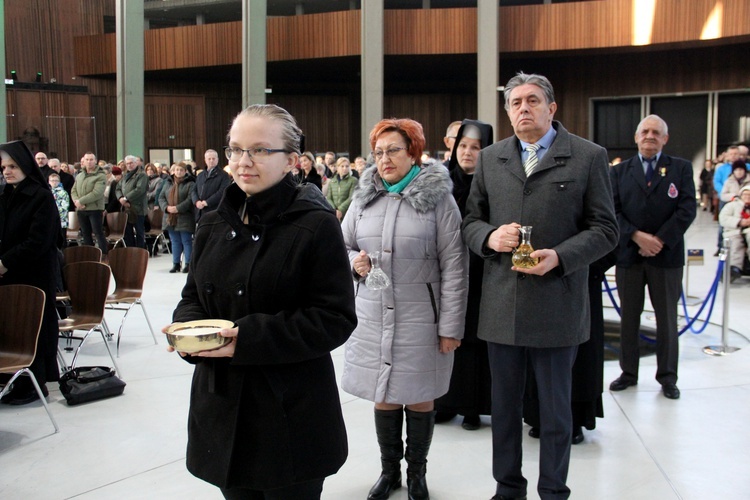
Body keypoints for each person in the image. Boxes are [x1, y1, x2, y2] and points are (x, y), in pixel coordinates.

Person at [165, 104, 356, 499]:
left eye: (259, 150)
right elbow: (192, 296)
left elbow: (333, 317)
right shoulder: (214, 222)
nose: (242, 162)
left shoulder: (314, 223)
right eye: (235, 149)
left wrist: (242, 338)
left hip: (289, 410)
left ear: (291, 160)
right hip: (221, 404)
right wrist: (189, 331)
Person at [462, 72, 618, 500]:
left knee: (554, 413)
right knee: (505, 412)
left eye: (532, 100)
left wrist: (562, 256)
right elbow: (470, 222)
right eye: (515, 102)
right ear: (508, 111)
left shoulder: (588, 157)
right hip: (502, 305)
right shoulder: (491, 158)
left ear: (552, 108)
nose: (523, 108)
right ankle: (507, 489)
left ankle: (553, 491)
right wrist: (489, 238)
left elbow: (606, 229)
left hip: (557, 305)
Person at [341, 118, 468, 500]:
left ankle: (417, 474)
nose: (384, 159)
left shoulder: (439, 200)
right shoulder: (364, 198)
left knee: (419, 392)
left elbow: (455, 267)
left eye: (393, 150)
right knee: (384, 392)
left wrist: (450, 327)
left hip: (420, 315)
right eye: (378, 152)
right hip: (374, 312)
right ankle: (388, 472)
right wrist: (354, 261)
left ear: (413, 151)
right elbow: (340, 244)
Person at [609, 114, 697, 400]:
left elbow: (686, 210)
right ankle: (628, 373)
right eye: (645, 131)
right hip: (630, 257)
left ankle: (668, 377)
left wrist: (659, 240)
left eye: (656, 132)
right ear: (636, 137)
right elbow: (612, 211)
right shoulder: (619, 172)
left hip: (666, 257)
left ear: (665, 139)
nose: (650, 136)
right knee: (629, 318)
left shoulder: (681, 169)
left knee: (667, 319)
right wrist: (636, 236)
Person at [434, 119, 494, 431]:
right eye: (463, 146)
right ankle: (446, 401)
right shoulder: (441, 180)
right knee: (447, 335)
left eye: (475, 147)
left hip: (481, 270)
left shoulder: (493, 182)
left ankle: (474, 407)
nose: (468, 153)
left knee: (475, 338)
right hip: (446, 269)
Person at [524, 251, 617, 445]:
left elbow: (608, 234)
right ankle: (537, 416)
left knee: (580, 353)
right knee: (536, 347)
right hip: (536, 278)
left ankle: (576, 420)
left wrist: (576, 263)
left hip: (580, 276)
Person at [0, 140, 61, 405]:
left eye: (12, 166)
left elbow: (39, 241)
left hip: (33, 273)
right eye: (3, 167)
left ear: (25, 165)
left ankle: (34, 383)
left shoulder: (41, 196)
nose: (7, 171)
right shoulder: (5, 195)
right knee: (12, 326)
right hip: (9, 272)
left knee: (32, 328)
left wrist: (5, 262)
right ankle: (11, 377)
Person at [159, 163, 195, 273]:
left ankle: (188, 264)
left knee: (186, 241)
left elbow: (190, 199)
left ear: (185, 172)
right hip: (170, 216)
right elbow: (161, 197)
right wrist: (167, 208)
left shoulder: (190, 183)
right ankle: (176, 264)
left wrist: (178, 208)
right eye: (176, 170)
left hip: (185, 216)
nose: (178, 172)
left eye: (181, 170)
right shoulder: (168, 183)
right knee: (174, 241)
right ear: (173, 171)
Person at [71, 152, 109, 256]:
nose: (89, 162)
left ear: (95, 161)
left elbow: (97, 193)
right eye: (87, 159)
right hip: (81, 209)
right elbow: (73, 190)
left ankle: (104, 255)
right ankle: (89, 254)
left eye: (91, 159)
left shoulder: (100, 175)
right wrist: (76, 202)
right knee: (85, 233)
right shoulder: (80, 175)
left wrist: (81, 201)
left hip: (95, 209)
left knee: (98, 232)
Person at [719, 185, 750, 281]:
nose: (747, 196)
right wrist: (739, 222)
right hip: (734, 231)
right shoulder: (732, 205)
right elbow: (723, 218)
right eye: (745, 194)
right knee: (736, 245)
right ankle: (734, 268)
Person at [116, 155, 148, 248]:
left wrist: (126, 198)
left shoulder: (142, 175)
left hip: (138, 208)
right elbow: (117, 188)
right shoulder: (125, 175)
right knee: (127, 232)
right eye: (127, 163)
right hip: (126, 209)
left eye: (131, 163)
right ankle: (131, 251)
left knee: (139, 232)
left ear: (136, 163)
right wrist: (120, 198)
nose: (129, 165)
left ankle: (140, 252)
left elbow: (139, 190)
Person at [192, 149, 231, 224]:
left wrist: (207, 202)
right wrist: (196, 201)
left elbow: (222, 191)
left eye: (213, 158)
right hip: (200, 213)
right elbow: (194, 190)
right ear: (205, 160)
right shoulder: (200, 175)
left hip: (214, 212)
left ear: (217, 159)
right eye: (209, 159)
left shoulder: (224, 175)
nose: (211, 160)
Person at [325, 156, 357, 222]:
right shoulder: (332, 181)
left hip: (347, 213)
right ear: (337, 167)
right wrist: (334, 210)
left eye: (347, 166)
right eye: (342, 166)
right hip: (334, 213)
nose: (345, 168)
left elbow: (351, 197)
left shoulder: (353, 180)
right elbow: (329, 198)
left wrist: (340, 209)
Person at [49, 172, 70, 244]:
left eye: (56, 180)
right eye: (52, 180)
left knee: (62, 239)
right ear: (49, 182)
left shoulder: (63, 192)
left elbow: (65, 207)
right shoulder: (48, 192)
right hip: (49, 219)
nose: (54, 182)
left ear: (59, 181)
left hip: (61, 220)